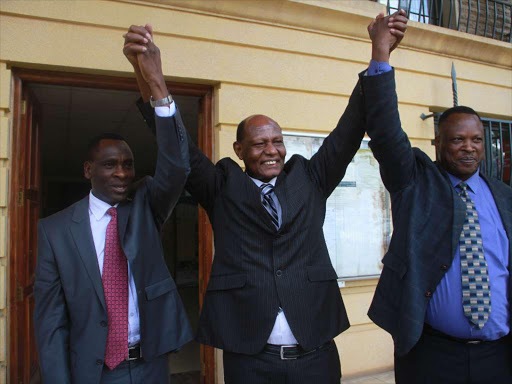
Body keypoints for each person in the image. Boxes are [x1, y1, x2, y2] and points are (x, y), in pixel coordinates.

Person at [122, 12, 407, 384]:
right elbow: (179, 150)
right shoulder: (221, 185)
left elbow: (350, 127)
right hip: (250, 358)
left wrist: (379, 54)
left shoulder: (310, 177)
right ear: (240, 149)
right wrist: (152, 79)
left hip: (316, 352)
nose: (271, 150)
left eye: (277, 141)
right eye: (259, 143)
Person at [34, 42, 193, 384]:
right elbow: (51, 323)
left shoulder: (146, 205)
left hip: (150, 365)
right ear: (88, 170)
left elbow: (178, 167)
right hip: (94, 372)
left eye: (127, 164)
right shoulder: (55, 230)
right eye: (110, 165)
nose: (122, 173)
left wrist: (157, 85)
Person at [365, 14, 512, 384]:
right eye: (457, 139)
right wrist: (381, 52)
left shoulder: (504, 197)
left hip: (500, 355)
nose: (468, 148)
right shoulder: (416, 183)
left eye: (476, 140)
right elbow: (385, 133)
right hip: (432, 355)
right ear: (438, 144)